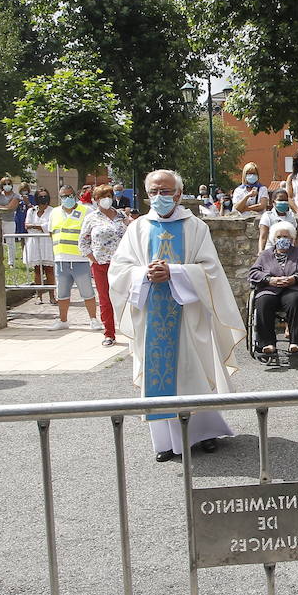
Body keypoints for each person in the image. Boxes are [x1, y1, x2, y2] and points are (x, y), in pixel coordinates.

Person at [108, 169, 245, 462]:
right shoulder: (138, 228)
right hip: (151, 314)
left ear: (179, 194)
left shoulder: (196, 228)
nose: (160, 197)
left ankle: (204, 434)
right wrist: (144, 273)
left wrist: (175, 271)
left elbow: (210, 271)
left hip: (188, 315)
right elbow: (118, 270)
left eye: (166, 191)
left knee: (192, 372)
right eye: (154, 192)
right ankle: (166, 442)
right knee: (159, 377)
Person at [247, 220, 298, 357]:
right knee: (263, 302)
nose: (282, 239)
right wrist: (269, 279)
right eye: (279, 237)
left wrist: (295, 278)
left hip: (293, 288)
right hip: (270, 289)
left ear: (292, 238)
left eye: (286, 237)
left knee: (295, 300)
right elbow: (253, 273)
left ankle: (296, 342)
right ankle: (267, 344)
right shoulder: (265, 255)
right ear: (274, 238)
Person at [79, 184, 128, 347]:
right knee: (105, 299)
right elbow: (83, 242)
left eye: (109, 196)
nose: (106, 199)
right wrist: (94, 259)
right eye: (102, 197)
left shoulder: (121, 216)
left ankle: (131, 330)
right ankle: (109, 333)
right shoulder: (91, 218)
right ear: (96, 200)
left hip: (122, 264)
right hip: (101, 265)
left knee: (127, 297)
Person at [47, 185, 99, 330]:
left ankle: (93, 320)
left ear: (75, 196)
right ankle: (63, 320)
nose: (67, 199)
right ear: (60, 197)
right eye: (64, 196)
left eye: (70, 196)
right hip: (61, 259)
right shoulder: (55, 212)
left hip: (80, 258)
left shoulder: (86, 210)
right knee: (62, 293)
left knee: (87, 291)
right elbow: (51, 232)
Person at [25, 188, 56, 301]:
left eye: (45, 196)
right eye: (41, 196)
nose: (43, 199)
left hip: (46, 242)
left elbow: (50, 227)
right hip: (34, 242)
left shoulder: (52, 211)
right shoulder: (31, 211)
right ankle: (39, 295)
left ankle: (52, 295)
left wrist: (37, 226)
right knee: (37, 270)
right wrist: (40, 227)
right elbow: (27, 226)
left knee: (49, 269)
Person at [258, 187, 298, 252]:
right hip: (271, 251)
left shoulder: (291, 216)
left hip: (289, 251)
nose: (283, 202)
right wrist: (261, 252)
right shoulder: (267, 216)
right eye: (280, 200)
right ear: (273, 202)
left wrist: (297, 252)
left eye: (285, 200)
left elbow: (296, 237)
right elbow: (263, 236)